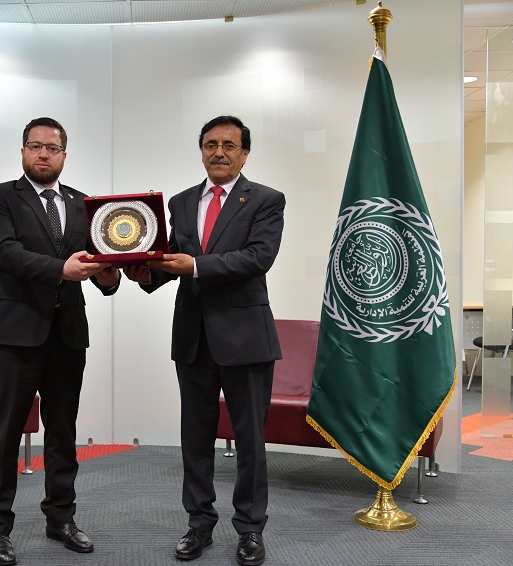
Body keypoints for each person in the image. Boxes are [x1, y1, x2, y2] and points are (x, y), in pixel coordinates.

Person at [124, 115, 284, 566]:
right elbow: (170, 257)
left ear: (244, 154)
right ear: (201, 151)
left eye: (229, 145)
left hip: (246, 339)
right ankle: (198, 523)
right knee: (195, 438)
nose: (219, 152)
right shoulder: (180, 202)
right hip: (193, 338)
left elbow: (257, 258)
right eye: (210, 144)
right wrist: (143, 272)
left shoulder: (266, 200)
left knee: (249, 439)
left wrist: (194, 266)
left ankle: (250, 529)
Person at [0, 117, 120, 566]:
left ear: (64, 155)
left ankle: (61, 518)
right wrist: (61, 270)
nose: (43, 154)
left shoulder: (84, 205)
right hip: (14, 335)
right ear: (23, 151)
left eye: (52, 148)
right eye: (35, 146)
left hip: (67, 335)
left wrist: (110, 275)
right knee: (4, 435)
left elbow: (96, 263)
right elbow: (4, 252)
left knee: (63, 432)